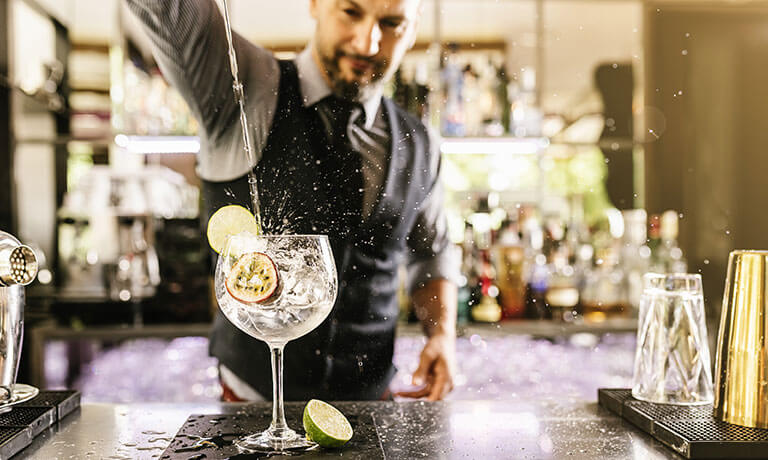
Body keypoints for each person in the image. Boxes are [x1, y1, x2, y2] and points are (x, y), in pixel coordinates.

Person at [126, 0, 459, 401]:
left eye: (391, 23)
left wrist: (442, 335)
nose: (368, 42)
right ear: (316, 4)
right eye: (351, 12)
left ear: (414, 25)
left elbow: (431, 252)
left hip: (372, 406)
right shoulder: (240, 87)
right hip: (253, 411)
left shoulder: (421, 143)